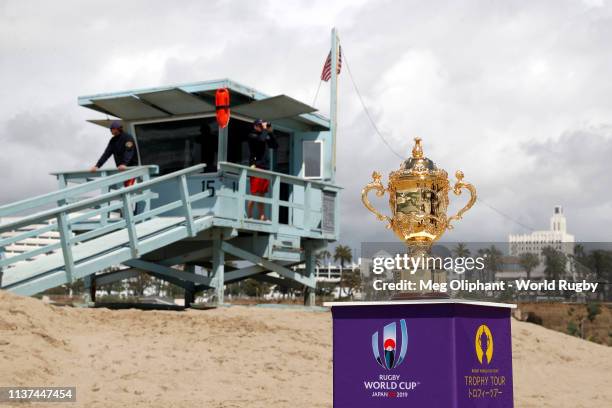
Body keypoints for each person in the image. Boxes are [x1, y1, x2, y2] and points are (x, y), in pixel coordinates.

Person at [246, 119, 278, 220]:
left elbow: (275, 145)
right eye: (259, 125)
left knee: (262, 193)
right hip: (256, 166)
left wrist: (270, 132)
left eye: (262, 125)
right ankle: (249, 215)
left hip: (264, 167)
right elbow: (261, 141)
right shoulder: (252, 135)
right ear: (255, 126)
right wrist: (265, 130)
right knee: (254, 192)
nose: (261, 127)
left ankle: (262, 216)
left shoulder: (264, 135)